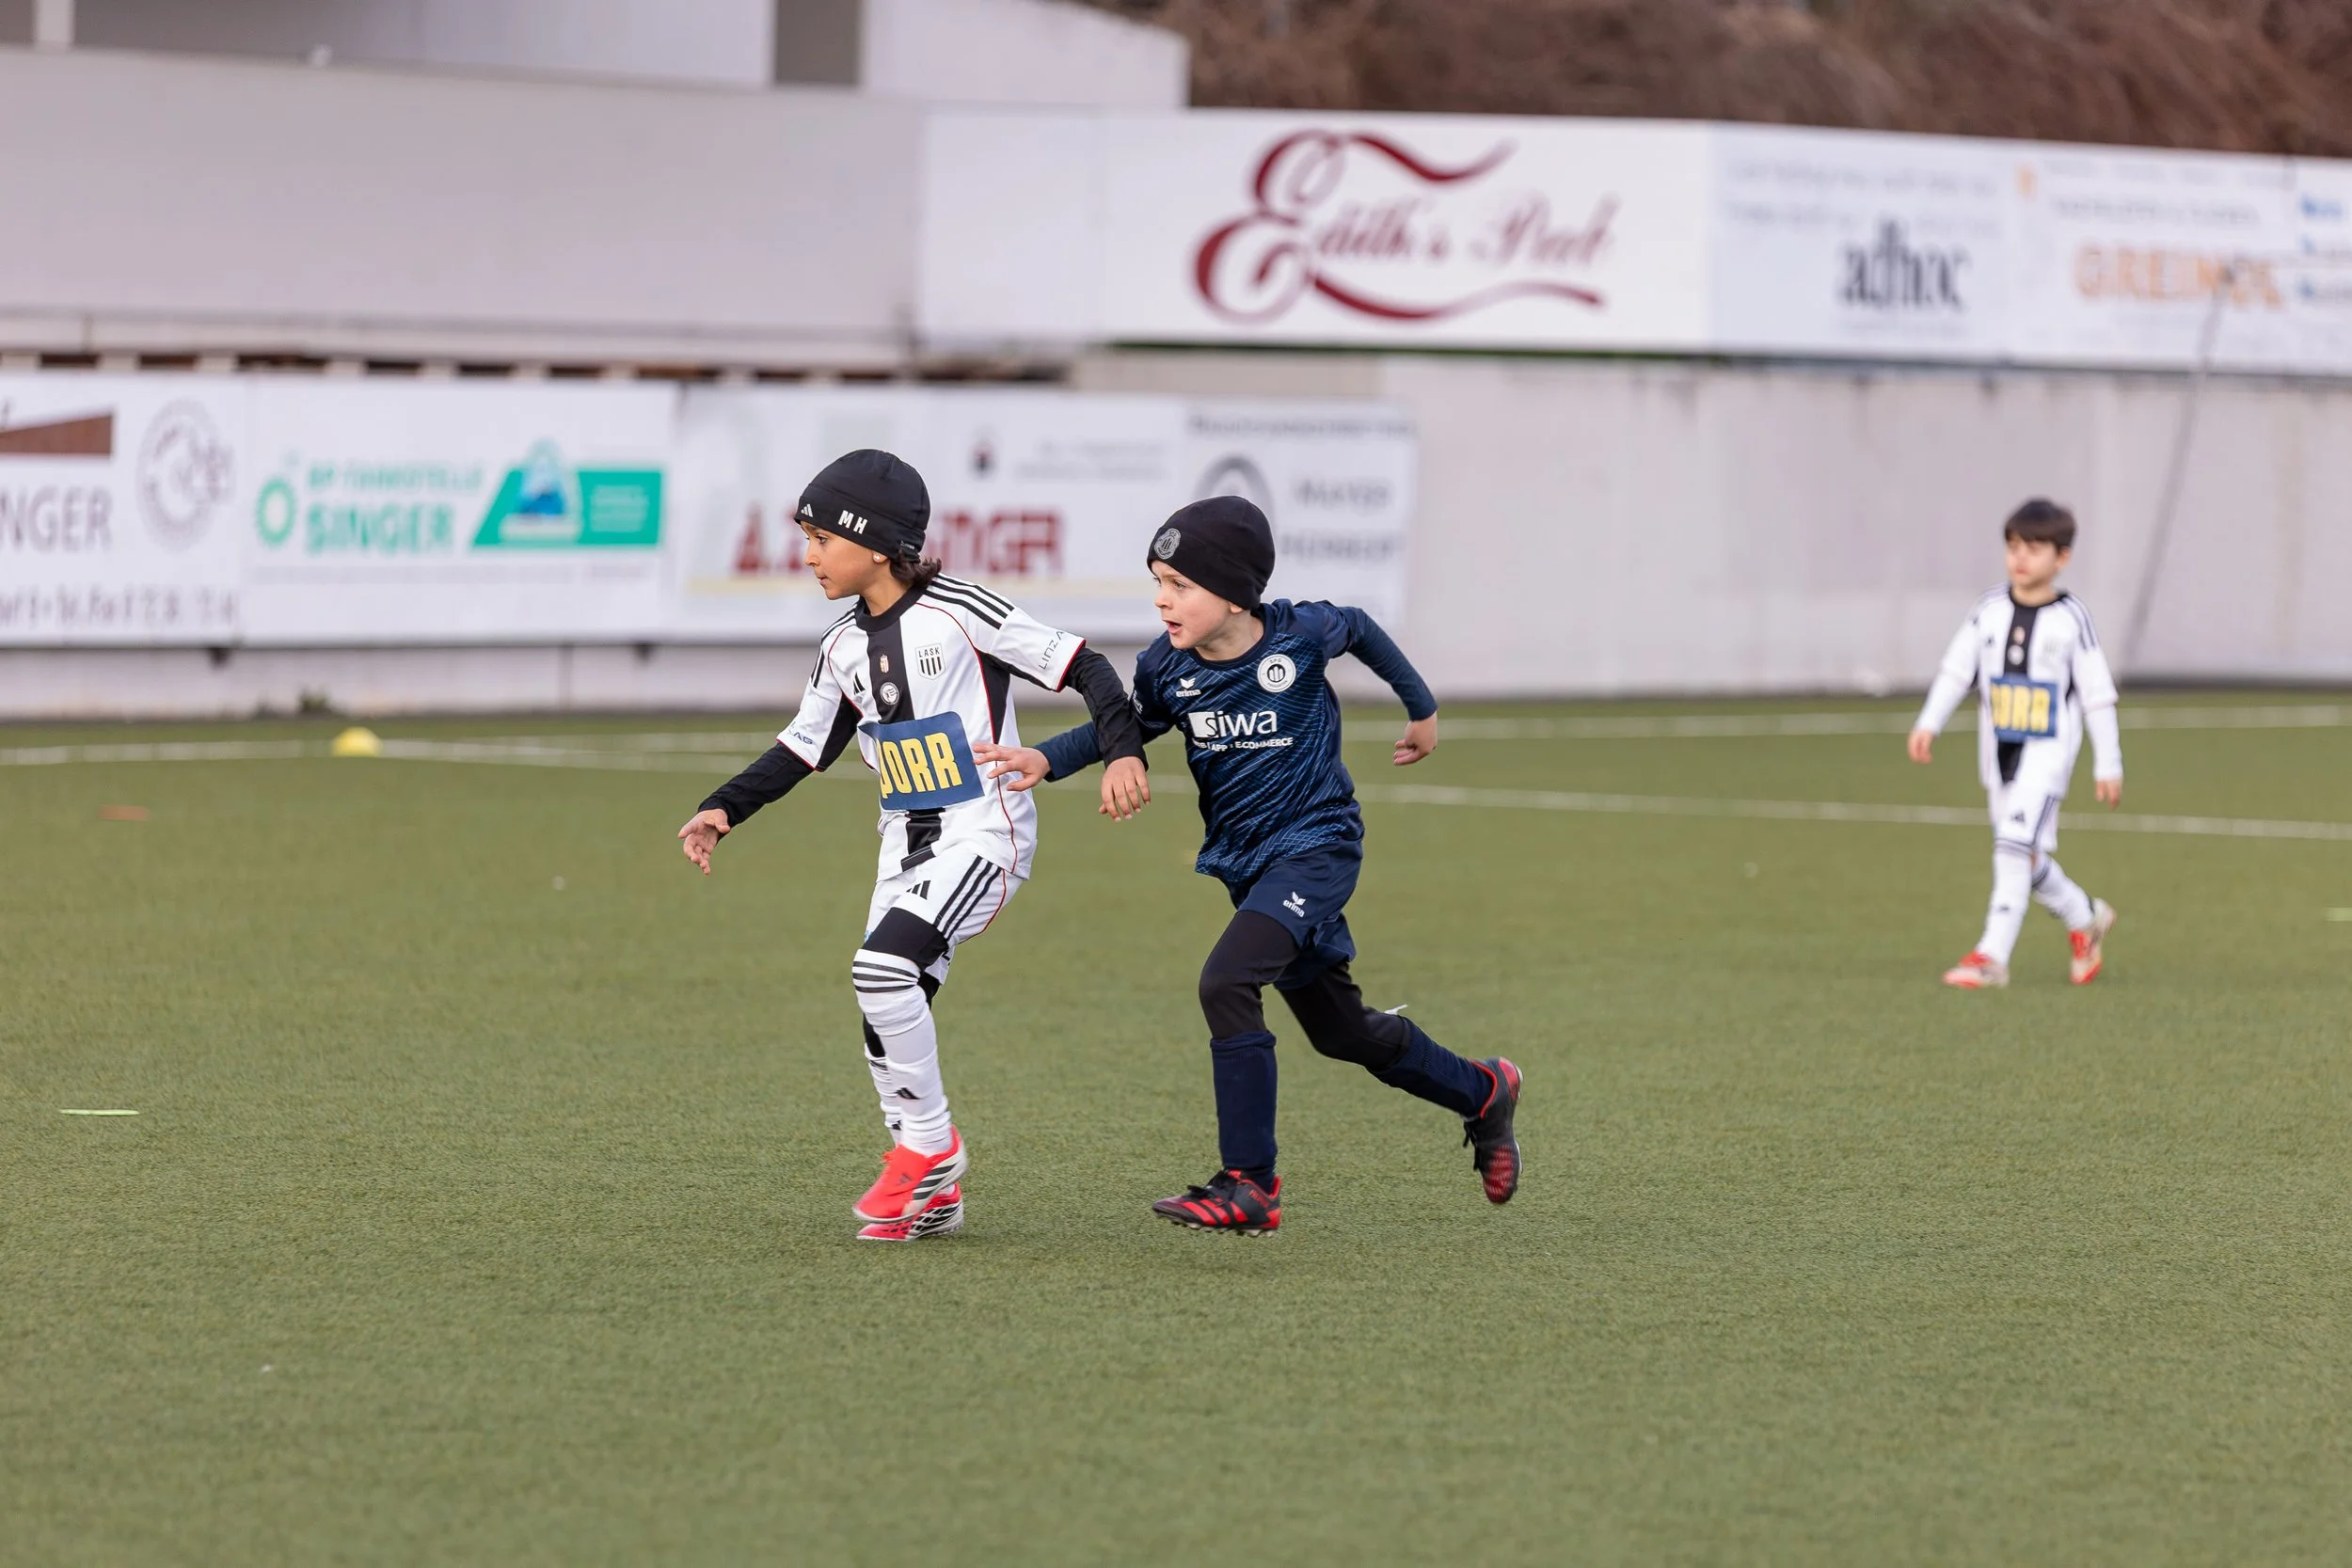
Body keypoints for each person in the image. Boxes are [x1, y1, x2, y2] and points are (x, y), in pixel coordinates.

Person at [976, 496, 1519, 1236]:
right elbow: (1130, 725)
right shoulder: (1167, 667)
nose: (1162, 599)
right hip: (1250, 867)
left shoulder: (1300, 635)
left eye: (1180, 584)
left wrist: (1420, 709)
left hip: (1318, 846)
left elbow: (1361, 626)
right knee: (1341, 1031)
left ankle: (1250, 1183)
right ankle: (1483, 1090)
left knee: (1226, 981)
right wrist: (1048, 756)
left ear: (1235, 593)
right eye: (1158, 582)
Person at [679, 451, 1147, 1242]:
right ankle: (935, 1198)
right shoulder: (840, 646)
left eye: (822, 538)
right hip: (904, 848)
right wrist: (724, 807)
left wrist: (1124, 750)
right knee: (887, 1004)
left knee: (881, 968)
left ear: (873, 542)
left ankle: (931, 1147)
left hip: (985, 832)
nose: (808, 555)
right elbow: (803, 746)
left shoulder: (964, 611)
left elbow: (1087, 666)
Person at [1909, 498, 2122, 990]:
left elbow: (2097, 695)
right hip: (1999, 754)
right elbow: (1956, 670)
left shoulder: (2071, 619)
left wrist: (2108, 763)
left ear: (2062, 557)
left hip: (2047, 754)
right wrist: (1928, 722)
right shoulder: (1988, 610)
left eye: (2034, 547)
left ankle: (1991, 957)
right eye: (2013, 546)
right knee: (2023, 855)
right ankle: (2085, 917)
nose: (2020, 557)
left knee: (2011, 846)